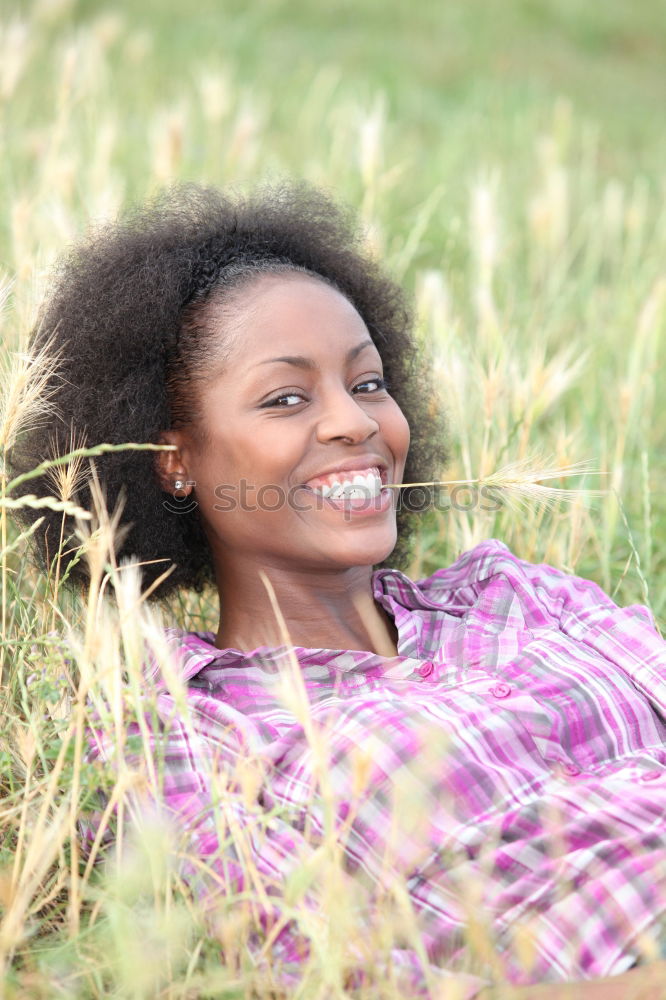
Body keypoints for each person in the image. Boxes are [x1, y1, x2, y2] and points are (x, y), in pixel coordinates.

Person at [11, 183, 666, 998]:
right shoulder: (197, 735)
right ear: (174, 458)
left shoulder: (523, 599)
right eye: (286, 398)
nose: (355, 423)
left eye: (366, 384)